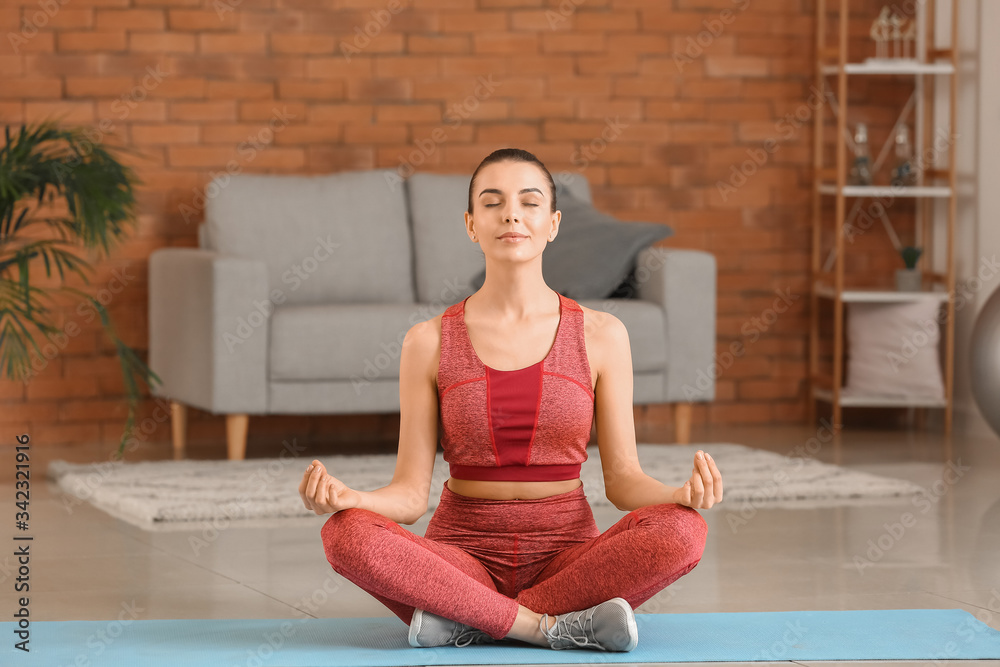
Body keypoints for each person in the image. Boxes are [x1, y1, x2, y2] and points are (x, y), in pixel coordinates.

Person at [298, 148, 723, 652]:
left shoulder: (603, 335)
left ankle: (465, 620)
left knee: (682, 532)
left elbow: (624, 482)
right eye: (492, 202)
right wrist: (352, 500)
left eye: (529, 202)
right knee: (345, 534)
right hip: (461, 559)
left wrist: (680, 495)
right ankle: (544, 627)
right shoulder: (427, 341)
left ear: (554, 223)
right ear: (471, 224)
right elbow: (411, 497)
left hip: (567, 557)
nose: (512, 214)